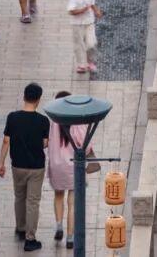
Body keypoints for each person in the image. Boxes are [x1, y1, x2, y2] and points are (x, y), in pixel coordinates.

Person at [0, 83, 49, 250]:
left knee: (19, 197)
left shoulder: (12, 117)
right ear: (38, 100)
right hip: (36, 167)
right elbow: (45, 143)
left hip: (17, 165)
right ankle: (30, 238)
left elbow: (6, 140)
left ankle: (20, 228)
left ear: (24, 96)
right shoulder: (43, 121)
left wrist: (1, 163)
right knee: (32, 201)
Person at [47, 89, 92, 248]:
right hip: (73, 166)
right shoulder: (78, 122)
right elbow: (85, 146)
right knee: (72, 203)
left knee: (58, 196)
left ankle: (59, 225)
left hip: (57, 165)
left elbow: (47, 142)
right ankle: (71, 238)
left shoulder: (53, 122)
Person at [68, 0, 103, 77]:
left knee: (91, 43)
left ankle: (90, 61)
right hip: (77, 25)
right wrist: (81, 10)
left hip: (89, 22)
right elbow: (71, 11)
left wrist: (96, 11)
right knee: (79, 45)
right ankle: (81, 64)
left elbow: (92, 4)